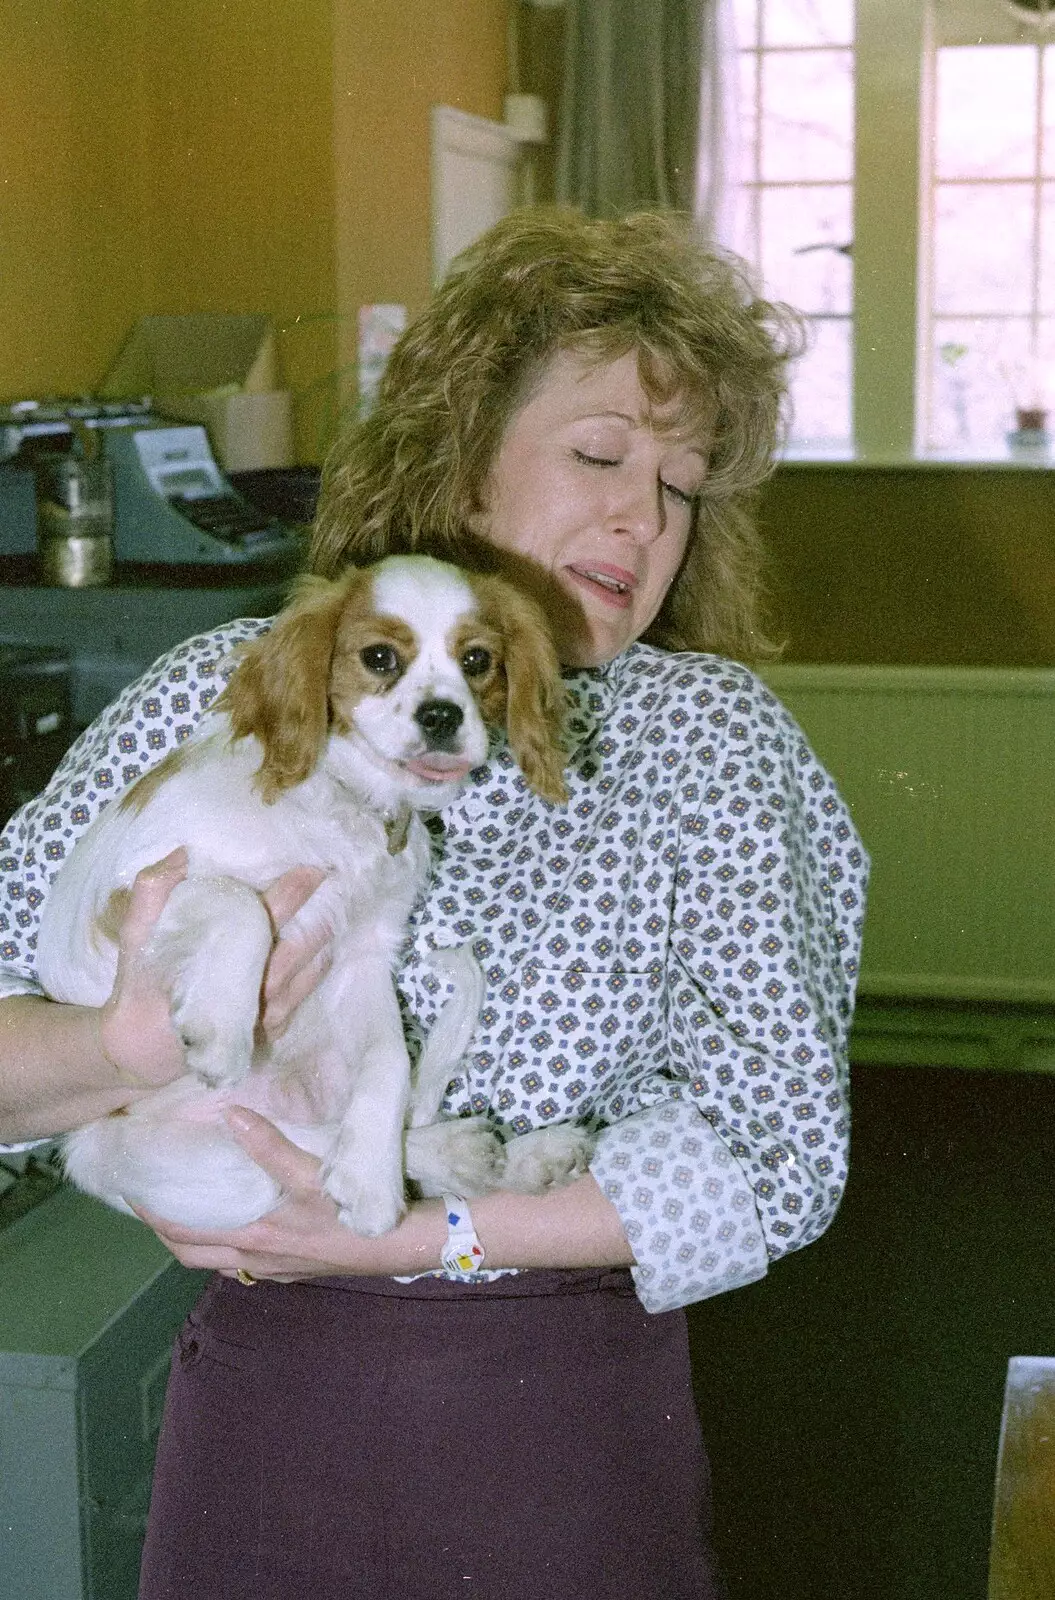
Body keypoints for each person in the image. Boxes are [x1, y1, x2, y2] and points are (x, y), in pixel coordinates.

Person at [0, 208, 868, 1599]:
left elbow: (777, 1157)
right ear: (460, 461)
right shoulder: (233, 684)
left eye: (684, 486)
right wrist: (119, 1048)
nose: (640, 518)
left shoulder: (709, 742)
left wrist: (419, 1234)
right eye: (598, 455)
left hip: (556, 1438)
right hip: (265, 1422)